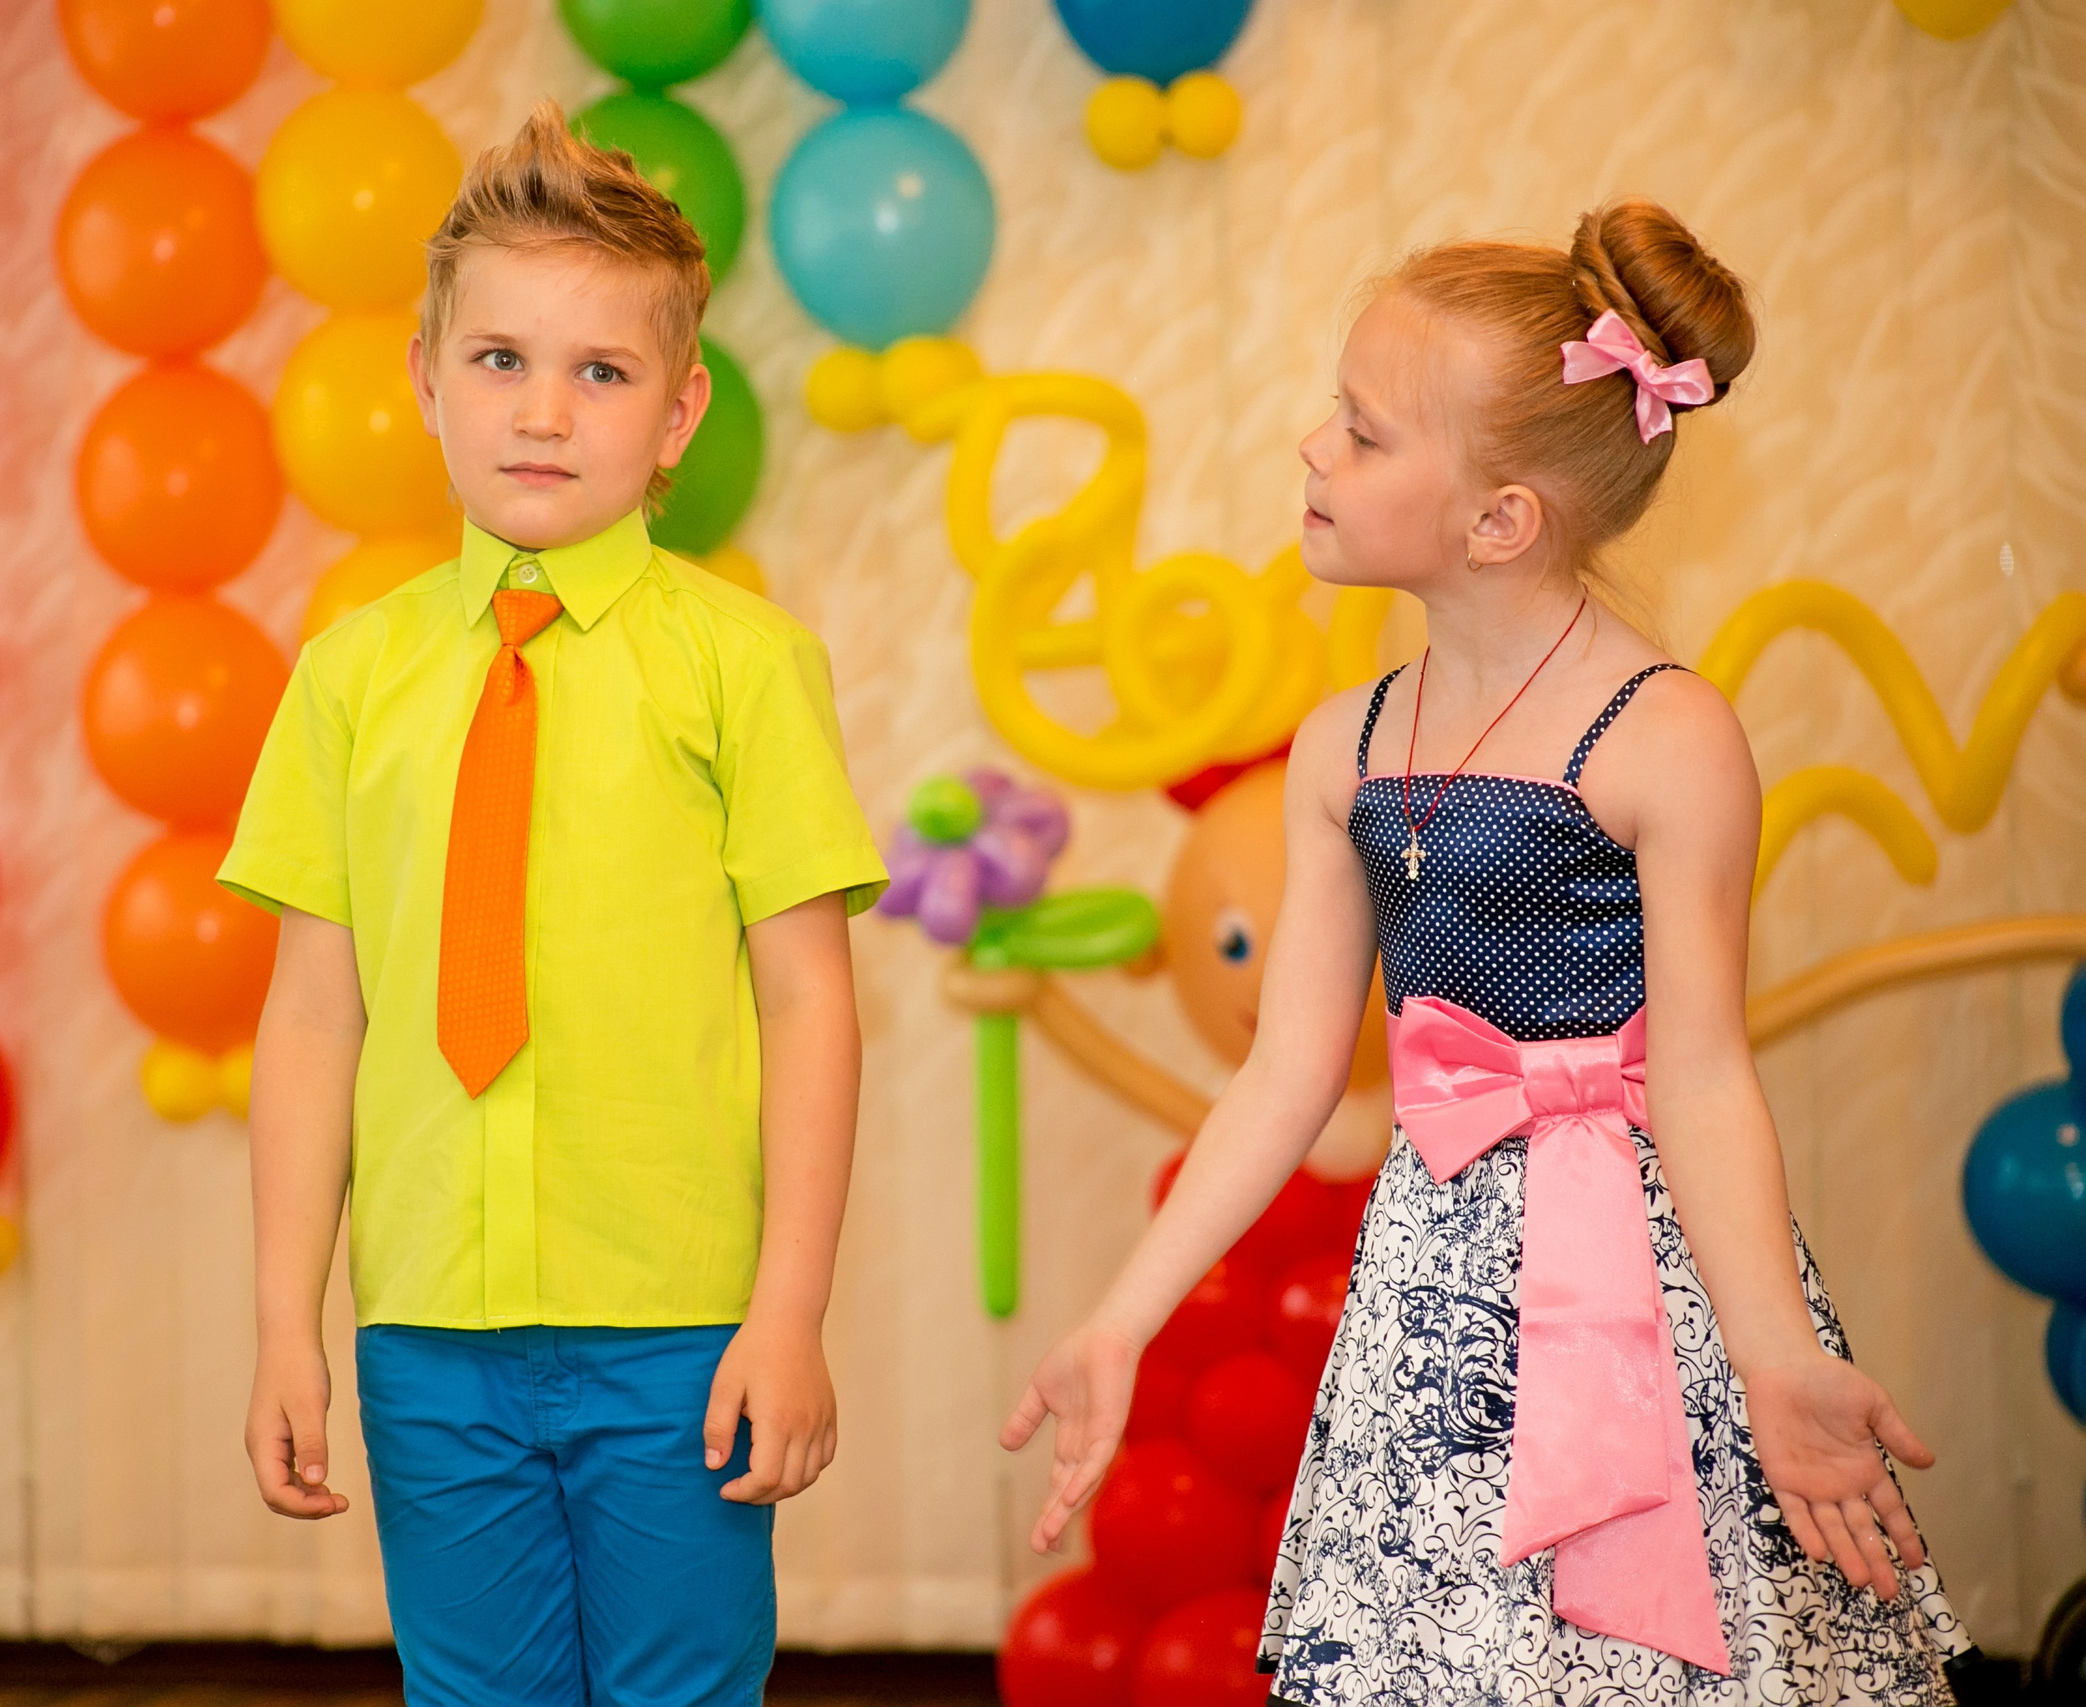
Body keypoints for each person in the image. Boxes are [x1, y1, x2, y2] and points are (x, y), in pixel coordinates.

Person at [1002, 202, 1973, 1703]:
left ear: (1500, 518)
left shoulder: (1668, 736)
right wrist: (1119, 1318)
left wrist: (1775, 1355)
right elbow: (1283, 1074)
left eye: (1364, 432)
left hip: (1649, 1295)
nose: (1315, 450)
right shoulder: (1344, 746)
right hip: (1431, 1308)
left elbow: (1705, 1073)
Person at [220, 102, 887, 1707]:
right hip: (428, 1331)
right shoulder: (349, 677)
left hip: (678, 1328)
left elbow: (810, 1001)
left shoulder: (746, 667)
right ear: (424, 382)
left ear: (678, 414)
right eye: (501, 360)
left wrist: (788, 1312)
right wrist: (284, 1325)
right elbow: (316, 1010)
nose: (543, 410)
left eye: (603, 372)